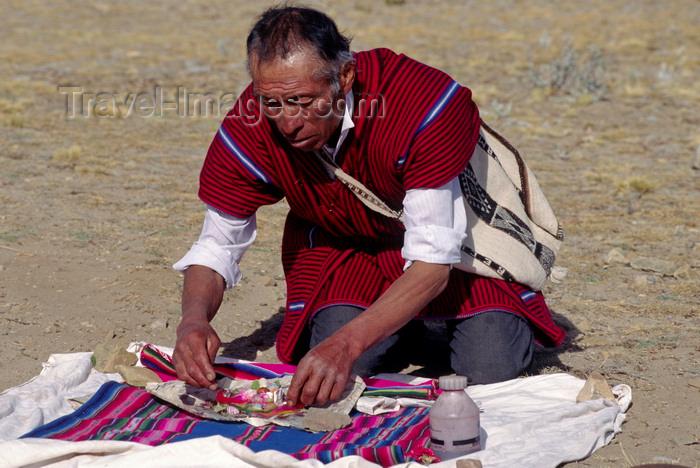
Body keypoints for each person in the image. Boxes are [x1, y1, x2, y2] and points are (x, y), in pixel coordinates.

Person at [172, 5, 565, 407]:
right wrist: (193, 321)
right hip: (351, 249)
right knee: (330, 381)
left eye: (303, 101)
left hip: (459, 252)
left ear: (343, 77)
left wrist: (347, 344)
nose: (288, 122)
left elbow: (433, 263)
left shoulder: (420, 105)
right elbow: (218, 244)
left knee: (488, 371)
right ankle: (400, 330)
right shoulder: (253, 121)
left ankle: (425, 326)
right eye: (272, 103)